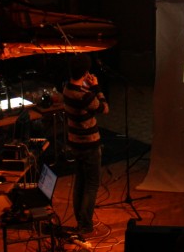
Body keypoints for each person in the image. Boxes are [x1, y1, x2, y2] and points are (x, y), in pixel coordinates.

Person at [63, 55, 109, 237]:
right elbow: (104, 108)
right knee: (91, 184)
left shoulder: (67, 88)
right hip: (89, 143)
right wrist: (96, 87)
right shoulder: (85, 95)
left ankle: (80, 222)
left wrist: (87, 85)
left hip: (74, 142)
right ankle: (86, 224)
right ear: (86, 72)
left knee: (80, 182)